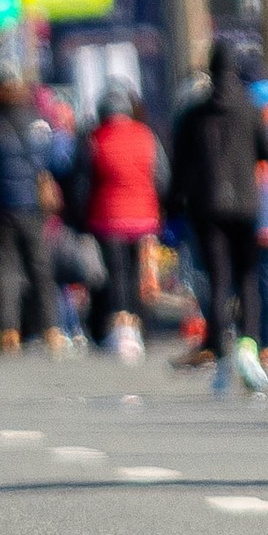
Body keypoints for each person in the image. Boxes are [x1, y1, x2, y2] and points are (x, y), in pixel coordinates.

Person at [169, 35, 268, 393]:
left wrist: (172, 205)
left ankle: (219, 347)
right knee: (248, 277)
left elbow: (179, 166)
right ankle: (249, 344)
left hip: (206, 207)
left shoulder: (194, 114)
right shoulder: (251, 109)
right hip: (246, 205)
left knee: (218, 279)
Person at [82, 89, 165, 354]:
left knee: (115, 276)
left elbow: (83, 181)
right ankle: (142, 329)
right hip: (144, 218)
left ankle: (119, 330)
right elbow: (162, 177)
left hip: (108, 218)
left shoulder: (95, 139)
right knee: (139, 276)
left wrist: (80, 213)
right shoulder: (147, 136)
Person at [0, 75, 57, 350]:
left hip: (0, 206)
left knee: (4, 268)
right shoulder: (40, 124)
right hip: (33, 205)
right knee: (40, 267)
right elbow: (57, 158)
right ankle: (51, 328)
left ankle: (9, 330)